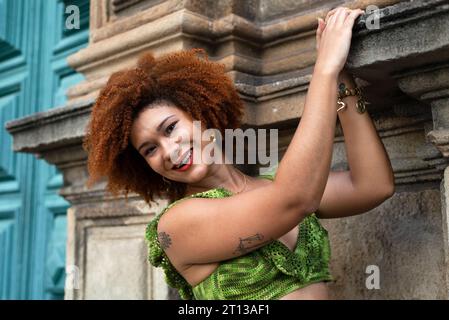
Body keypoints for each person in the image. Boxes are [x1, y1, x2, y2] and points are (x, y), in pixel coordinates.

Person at [83, 7, 395, 300]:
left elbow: (372, 185)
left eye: (170, 128)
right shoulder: (176, 224)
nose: (168, 150)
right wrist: (324, 70)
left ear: (199, 115)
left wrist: (340, 76)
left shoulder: (272, 187)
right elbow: (296, 198)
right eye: (150, 149)